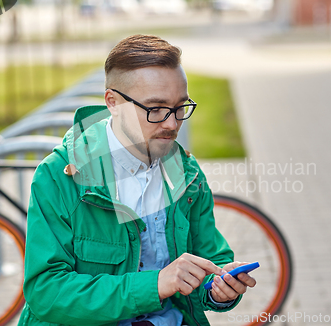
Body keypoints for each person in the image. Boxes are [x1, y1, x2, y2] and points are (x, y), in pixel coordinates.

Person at [18, 34, 256, 326]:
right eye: (155, 109)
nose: (172, 123)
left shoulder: (188, 173)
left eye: (180, 107)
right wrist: (155, 285)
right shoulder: (58, 176)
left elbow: (211, 259)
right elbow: (46, 292)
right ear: (113, 102)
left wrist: (220, 291)